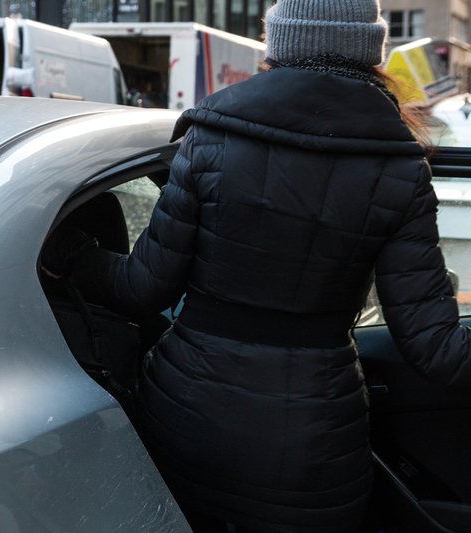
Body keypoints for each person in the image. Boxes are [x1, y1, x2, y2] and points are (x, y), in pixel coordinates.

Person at [47, 0, 471, 531]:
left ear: (280, 45)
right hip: (312, 447)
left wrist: (71, 255)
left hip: (183, 418)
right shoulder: (398, 167)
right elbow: (435, 350)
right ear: (370, 52)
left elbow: (141, 287)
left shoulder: (210, 135)